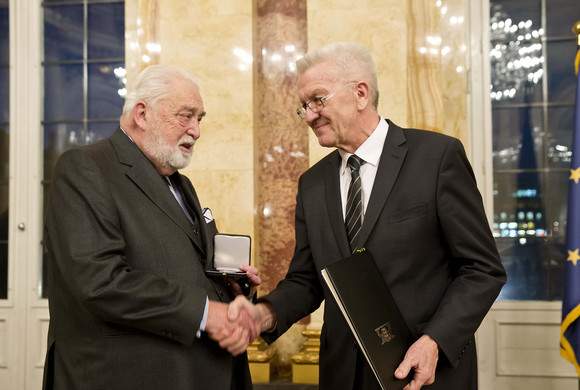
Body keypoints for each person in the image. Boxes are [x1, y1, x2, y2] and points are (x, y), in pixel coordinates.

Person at [227, 42, 507, 390]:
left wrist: (435, 341)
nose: (309, 115)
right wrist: (263, 314)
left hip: (425, 373)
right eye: (304, 106)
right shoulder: (312, 183)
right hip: (343, 374)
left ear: (360, 93)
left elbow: (482, 269)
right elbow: (307, 280)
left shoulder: (437, 158)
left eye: (318, 99)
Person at [42, 64, 260, 390]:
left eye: (199, 119)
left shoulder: (181, 184)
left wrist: (234, 289)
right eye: (185, 116)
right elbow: (98, 281)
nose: (196, 131)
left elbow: (188, 268)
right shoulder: (85, 168)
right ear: (142, 115)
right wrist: (204, 313)